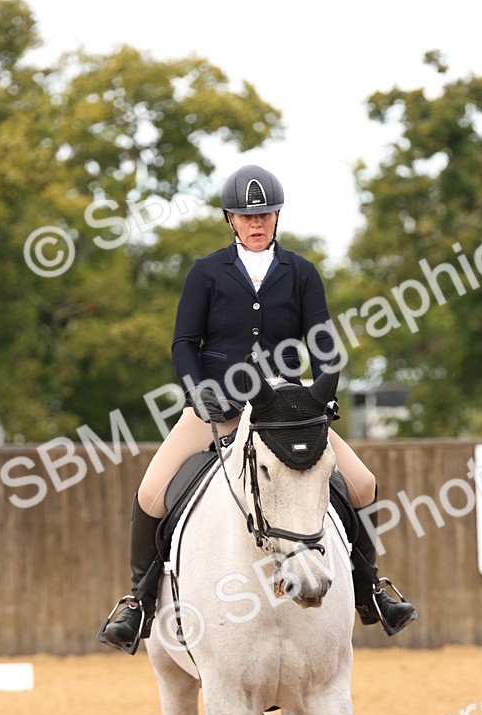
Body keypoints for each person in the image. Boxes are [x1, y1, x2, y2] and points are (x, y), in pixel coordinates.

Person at [97, 164, 417, 652]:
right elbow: (184, 343)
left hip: (285, 411)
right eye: (247, 216)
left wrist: (323, 394)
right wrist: (197, 392)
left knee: (363, 483)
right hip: (217, 407)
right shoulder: (206, 272)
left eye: (264, 214)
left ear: (277, 216)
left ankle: (371, 588)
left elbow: (323, 344)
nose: (256, 223)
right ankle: (137, 603)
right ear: (230, 219)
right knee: (150, 494)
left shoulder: (301, 272)